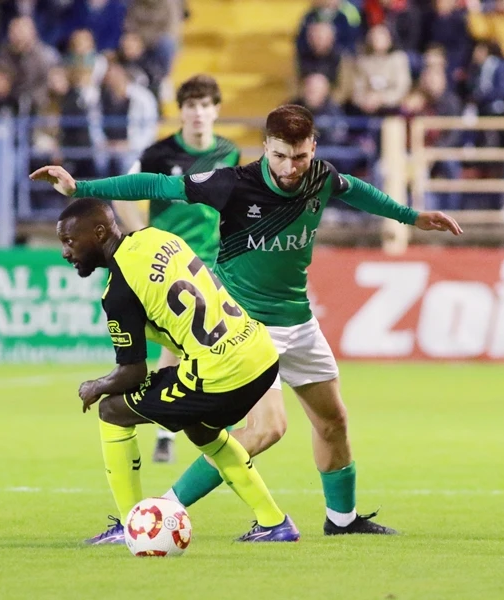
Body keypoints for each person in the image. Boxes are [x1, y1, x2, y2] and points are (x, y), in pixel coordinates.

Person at [32, 104, 463, 536]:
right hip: (247, 324)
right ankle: (162, 511)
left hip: (298, 319)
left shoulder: (321, 177)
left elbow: (356, 191)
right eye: (279, 156)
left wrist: (412, 217)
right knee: (267, 427)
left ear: (313, 147)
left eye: (299, 156)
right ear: (265, 149)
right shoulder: (234, 184)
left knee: (333, 421)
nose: (291, 167)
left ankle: (342, 520)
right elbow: (159, 183)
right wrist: (80, 186)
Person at [50, 197, 299, 545]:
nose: (65, 252)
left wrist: (97, 385)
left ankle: (130, 526)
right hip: (258, 351)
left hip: (221, 371)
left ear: (100, 231)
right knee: (202, 429)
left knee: (112, 409)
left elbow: (132, 373)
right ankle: (274, 523)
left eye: (69, 241)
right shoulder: (158, 238)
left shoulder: (120, 290)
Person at [113, 73, 241, 464]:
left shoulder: (230, 152)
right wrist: (141, 237)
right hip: (170, 266)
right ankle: (176, 425)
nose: (199, 113)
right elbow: (121, 193)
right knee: (183, 344)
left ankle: (177, 425)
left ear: (216, 110)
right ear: (181, 111)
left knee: (203, 343)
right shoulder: (158, 154)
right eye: (191, 106)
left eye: (205, 105)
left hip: (213, 263)